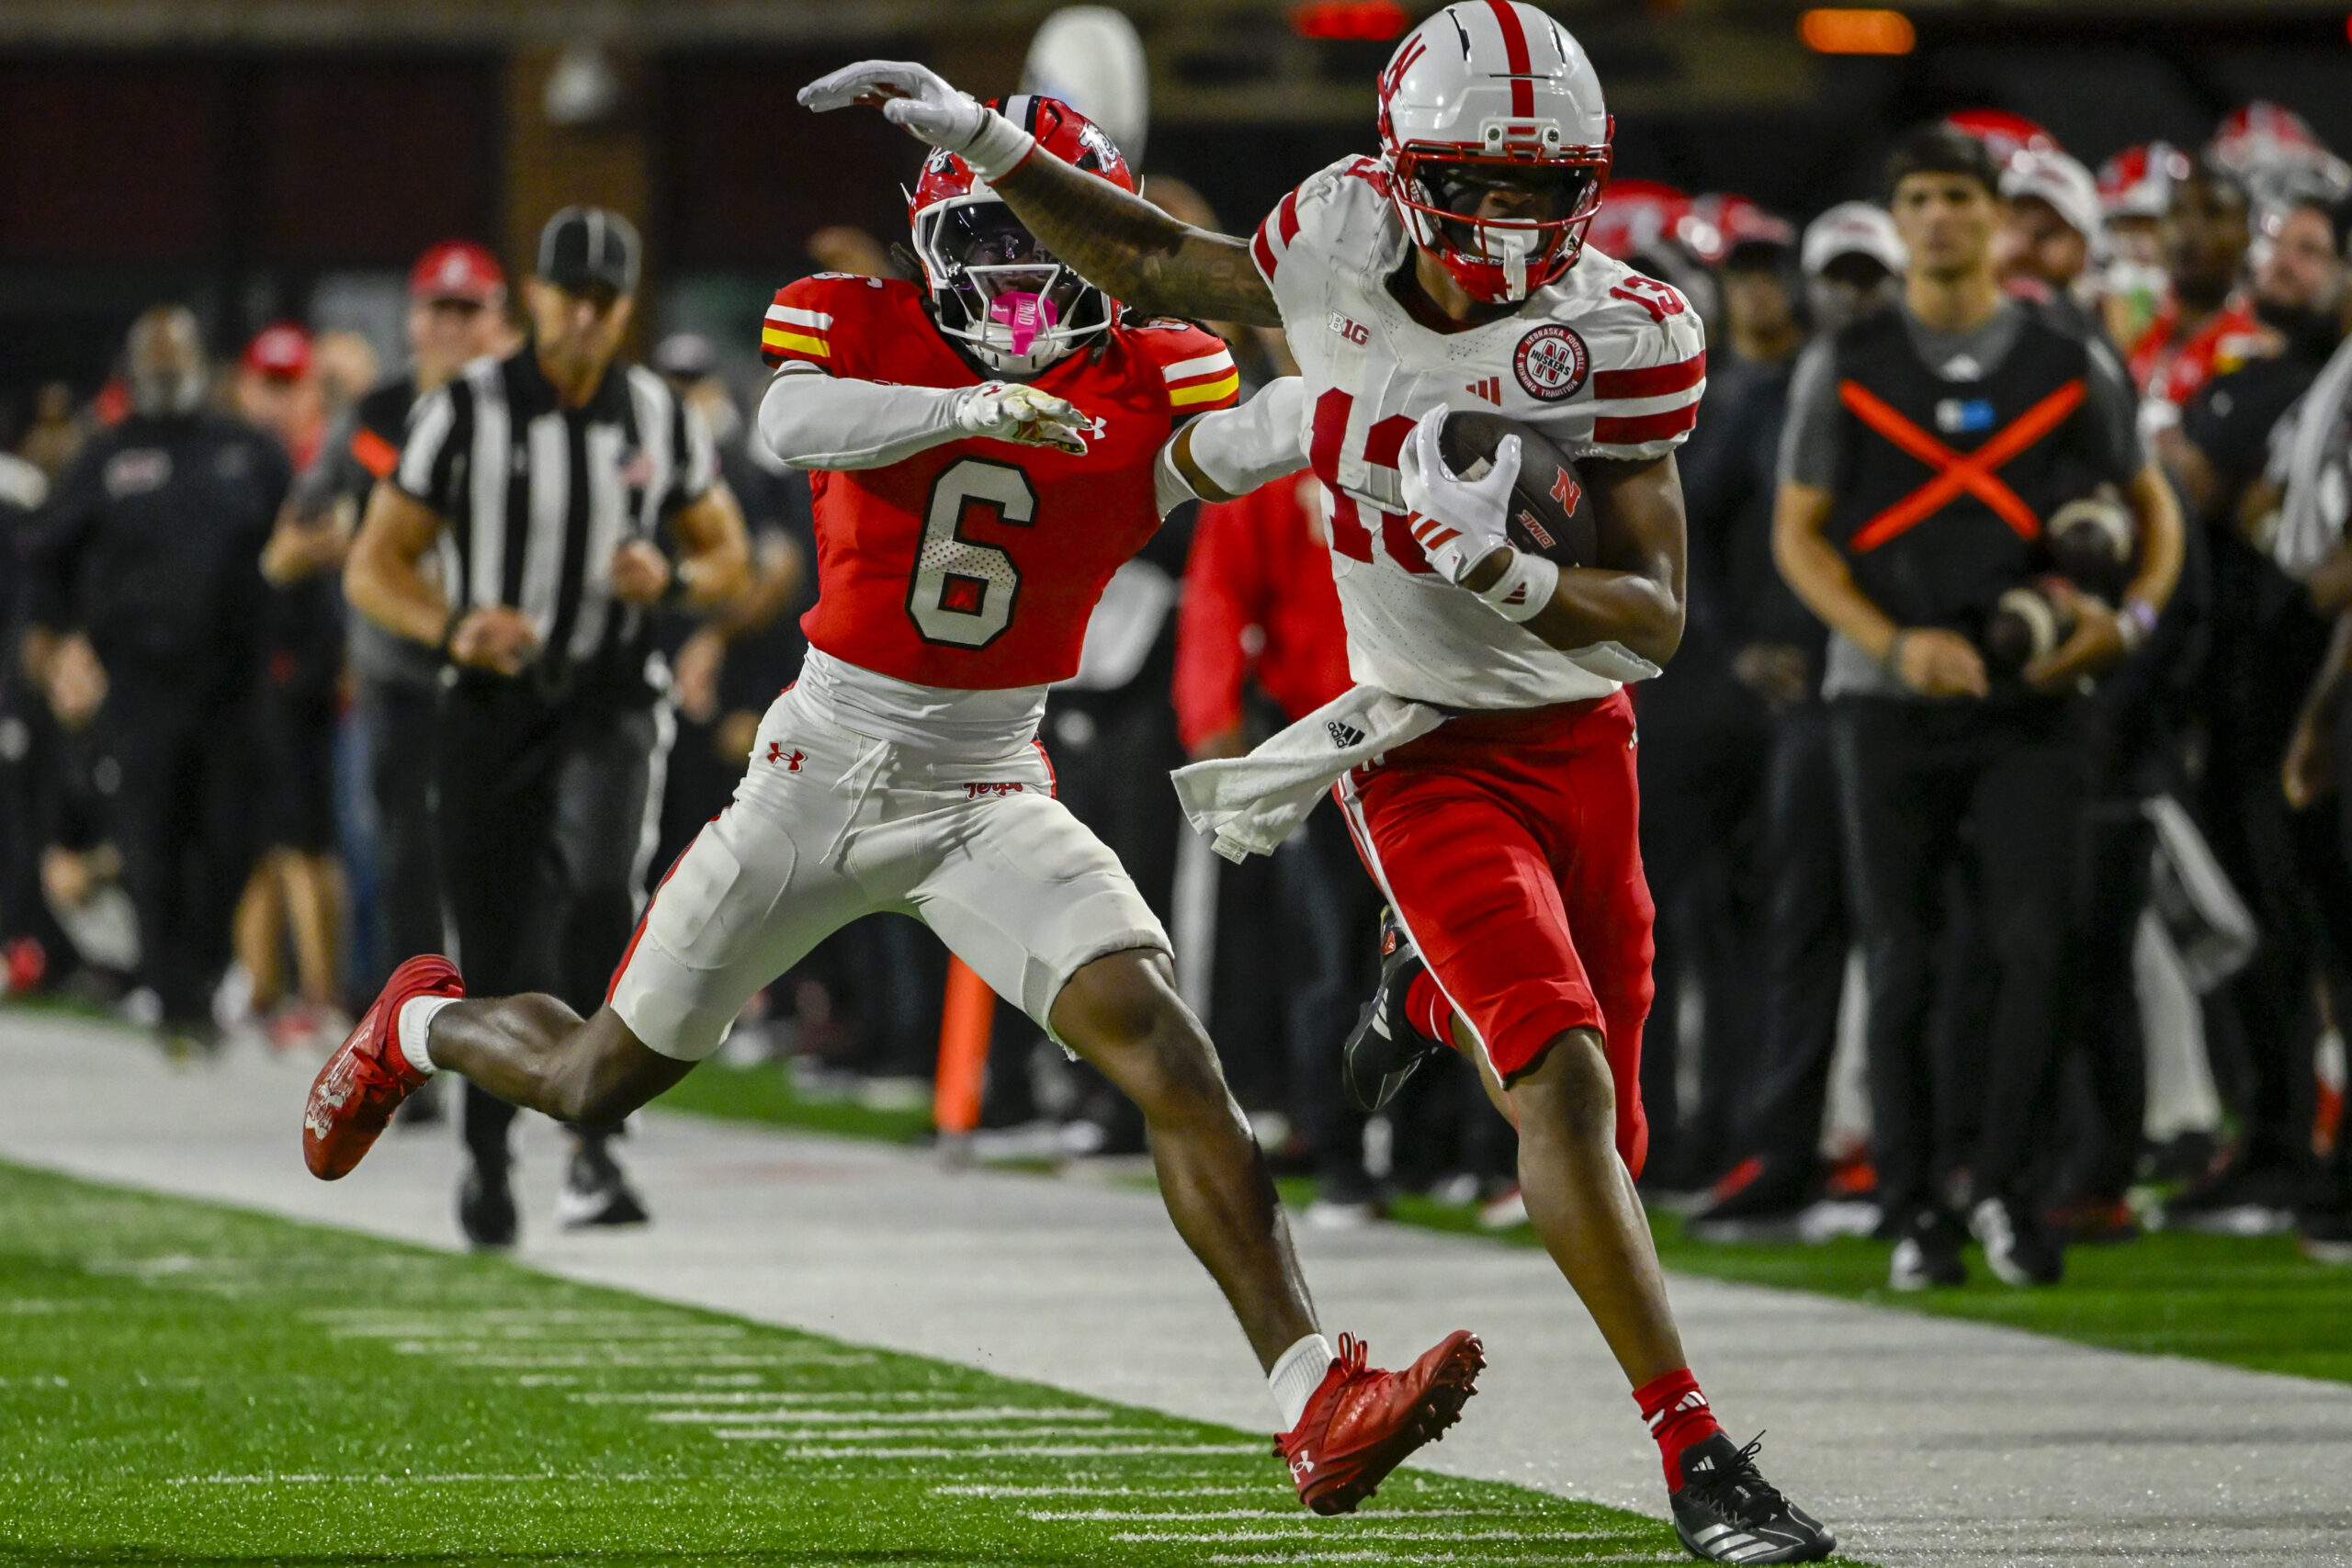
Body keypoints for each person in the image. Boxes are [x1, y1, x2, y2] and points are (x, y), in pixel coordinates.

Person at [307, 111, 1482, 1519]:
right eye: (986, 237)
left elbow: (1239, 445)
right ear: (929, 247)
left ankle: (1312, 1393)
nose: (1021, 271)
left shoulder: (1153, 373)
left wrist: (1387, 398)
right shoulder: (858, 326)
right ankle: (418, 1022)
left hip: (989, 784)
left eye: (1044, 237)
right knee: (593, 1080)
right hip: (821, 767)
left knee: (1172, 1053)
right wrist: (970, 410)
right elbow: (787, 420)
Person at [797, 13, 1838, 1559]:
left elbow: (1657, 616)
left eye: (1545, 186)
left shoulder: (1622, 327)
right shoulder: (1335, 232)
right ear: (1406, 174)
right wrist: (990, 145)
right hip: (1414, 743)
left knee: (1598, 1118)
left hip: (1583, 740)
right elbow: (1155, 266)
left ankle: (1422, 1003)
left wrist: (1509, 571)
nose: (1513, 221)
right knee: (1555, 1079)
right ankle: (1696, 1456)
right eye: (1478, 180)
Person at [1773, 125, 2184, 1291]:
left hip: (2034, 699)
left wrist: (2131, 623)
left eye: (1960, 197)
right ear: (1896, 221)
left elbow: (2152, 511)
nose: (1940, 218)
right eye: (1920, 199)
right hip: (1884, 698)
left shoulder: (2064, 352)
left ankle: (2006, 1191)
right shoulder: (1845, 358)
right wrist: (1893, 645)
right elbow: (1797, 536)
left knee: (2032, 949)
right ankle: (1912, 1209)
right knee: (1900, 959)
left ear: (1996, 219)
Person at [336, 209, 752, 1248]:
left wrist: (678, 579)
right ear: (534, 294)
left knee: (602, 889)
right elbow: (373, 564)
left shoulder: (657, 415)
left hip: (611, 692)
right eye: (570, 294)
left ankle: (595, 1142)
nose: (584, 317)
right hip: (492, 702)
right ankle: (485, 1156)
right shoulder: (466, 411)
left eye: (606, 301)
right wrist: (453, 627)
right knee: (494, 934)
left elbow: (729, 554)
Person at [1686, 208, 1893, 1236]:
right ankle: (1778, 1143)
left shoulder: (1873, 384)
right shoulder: (1752, 399)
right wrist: (1731, 652)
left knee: (1917, 935)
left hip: (1899, 685)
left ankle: (1905, 1158)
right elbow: (1690, 534)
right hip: (1801, 698)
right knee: (1789, 926)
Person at [23, 307, 288, 1041]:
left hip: (234, 681)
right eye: (157, 365)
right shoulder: (107, 457)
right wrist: (57, 644)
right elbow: (44, 553)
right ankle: (175, 995)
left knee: (237, 835)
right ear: (135, 372)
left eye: (179, 363)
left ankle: (201, 962)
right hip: (141, 683)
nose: (169, 377)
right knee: (153, 836)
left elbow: (295, 550)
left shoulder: (250, 451)